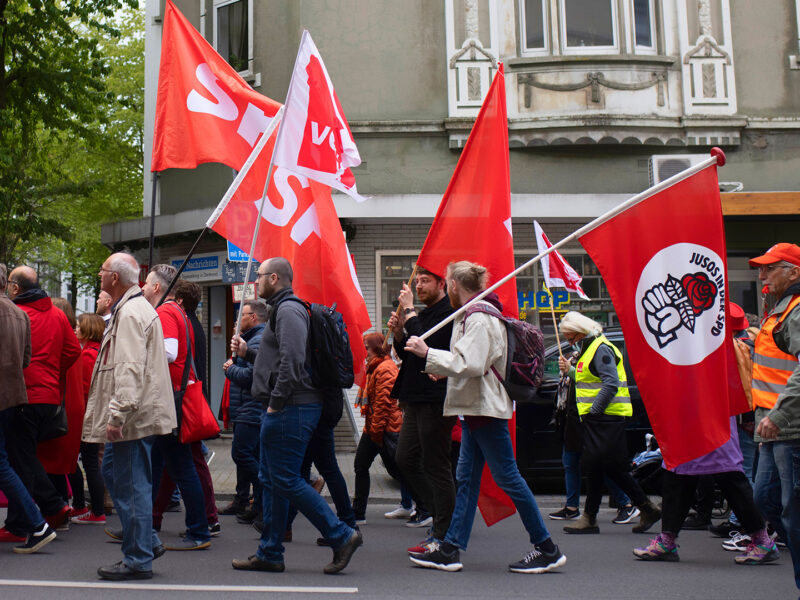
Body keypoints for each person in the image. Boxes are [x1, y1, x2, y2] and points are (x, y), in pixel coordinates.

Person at [405, 261, 566, 574]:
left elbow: (473, 364)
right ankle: (451, 549)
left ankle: (547, 547)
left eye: (447, 283)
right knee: (467, 480)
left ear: (453, 285)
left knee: (507, 478)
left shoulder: (479, 316)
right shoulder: (479, 313)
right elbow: (472, 364)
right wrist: (443, 368)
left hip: (484, 409)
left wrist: (429, 355)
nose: (446, 288)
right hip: (477, 408)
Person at [230, 257, 362, 574]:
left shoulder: (288, 310)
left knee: (286, 479)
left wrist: (275, 403)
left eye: (259, 276)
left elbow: (292, 361)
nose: (256, 282)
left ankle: (342, 535)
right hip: (291, 406)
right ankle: (270, 551)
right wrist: (249, 353)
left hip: (291, 408)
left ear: (274, 278)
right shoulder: (284, 310)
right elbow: (279, 357)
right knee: (273, 479)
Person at [633, 303, 775, 564]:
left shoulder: (728, 349)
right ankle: (667, 540)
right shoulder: (704, 345)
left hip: (713, 421)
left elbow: (743, 386)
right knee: (678, 475)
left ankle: (762, 540)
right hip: (690, 420)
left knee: (729, 478)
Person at [83, 253, 177, 580]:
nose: (99, 272)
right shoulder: (131, 308)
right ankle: (146, 540)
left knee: (132, 484)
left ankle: (138, 558)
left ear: (115, 278)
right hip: (137, 414)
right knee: (115, 472)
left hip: (132, 418)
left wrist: (118, 415)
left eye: (103, 269)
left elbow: (129, 368)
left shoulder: (130, 313)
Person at [557, 311, 661, 535]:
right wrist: (572, 372)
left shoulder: (600, 348)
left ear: (581, 332)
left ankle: (593, 517)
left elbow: (610, 383)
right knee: (604, 466)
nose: (570, 343)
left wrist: (594, 411)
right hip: (601, 418)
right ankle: (640, 508)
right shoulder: (593, 347)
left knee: (598, 464)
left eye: (571, 338)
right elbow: (592, 380)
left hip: (605, 417)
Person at [3, 266, 80, 538]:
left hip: (25, 396)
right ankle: (51, 507)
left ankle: (27, 520)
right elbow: (73, 351)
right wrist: (52, 372)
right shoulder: (58, 315)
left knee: (19, 460)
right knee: (24, 458)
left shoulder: (19, 315)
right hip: (49, 397)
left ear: (15, 288)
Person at [141, 265, 212, 550]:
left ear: (157, 287)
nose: (143, 287)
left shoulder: (166, 312)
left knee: (182, 468)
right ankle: (147, 524)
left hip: (169, 400)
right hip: (172, 399)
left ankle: (198, 531)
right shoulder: (177, 313)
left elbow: (169, 352)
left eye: (146, 283)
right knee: (160, 464)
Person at [749, 243, 800, 592]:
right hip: (772, 427)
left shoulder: (795, 311)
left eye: (771, 268)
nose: (762, 275)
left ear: (794, 272)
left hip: (789, 427)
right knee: (764, 502)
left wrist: (779, 415)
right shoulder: (780, 309)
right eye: (761, 268)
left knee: (792, 514)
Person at [389, 268, 453, 538]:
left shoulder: (449, 311)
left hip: (434, 396)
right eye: (417, 281)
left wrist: (410, 313)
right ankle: (436, 510)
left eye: (425, 281)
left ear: (442, 284)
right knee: (405, 458)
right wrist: (398, 333)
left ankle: (445, 527)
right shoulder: (424, 313)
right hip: (414, 396)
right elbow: (410, 351)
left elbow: (426, 343)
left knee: (436, 464)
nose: (418, 286)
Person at [0, 264, 57, 554]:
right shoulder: (20, 314)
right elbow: (26, 360)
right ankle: (36, 522)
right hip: (14, 398)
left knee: (4, 465)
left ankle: (36, 523)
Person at [550, 347, 638, 524]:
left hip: (587, 418)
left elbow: (600, 384)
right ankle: (572, 507)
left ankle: (626, 504)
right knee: (570, 461)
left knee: (599, 464)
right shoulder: (576, 358)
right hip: (572, 419)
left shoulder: (597, 354)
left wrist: (572, 371)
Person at [352, 332, 414, 524]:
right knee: (362, 465)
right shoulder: (374, 366)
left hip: (384, 429)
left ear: (374, 347)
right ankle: (358, 513)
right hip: (375, 428)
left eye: (366, 346)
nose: (364, 349)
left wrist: (376, 433)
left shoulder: (384, 368)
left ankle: (425, 507)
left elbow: (383, 404)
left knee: (398, 470)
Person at [39, 298, 87, 516]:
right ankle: (72, 505)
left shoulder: (59, 340)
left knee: (54, 461)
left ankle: (59, 509)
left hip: (62, 405)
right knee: (67, 461)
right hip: (74, 404)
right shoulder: (73, 341)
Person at [220, 299, 266, 519]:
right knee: (250, 455)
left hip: (251, 408)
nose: (239, 320)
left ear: (254, 317)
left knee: (242, 454)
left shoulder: (256, 341)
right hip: (246, 408)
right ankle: (252, 505)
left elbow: (250, 377)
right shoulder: (251, 339)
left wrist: (230, 369)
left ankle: (263, 496)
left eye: (243, 316)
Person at [70, 313, 107, 525]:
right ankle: (96, 510)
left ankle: (89, 509)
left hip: (86, 417)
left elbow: (84, 390)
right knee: (91, 462)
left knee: (85, 462)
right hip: (95, 416)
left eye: (78, 327)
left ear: (88, 329)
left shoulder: (86, 356)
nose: (76, 330)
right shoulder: (98, 352)